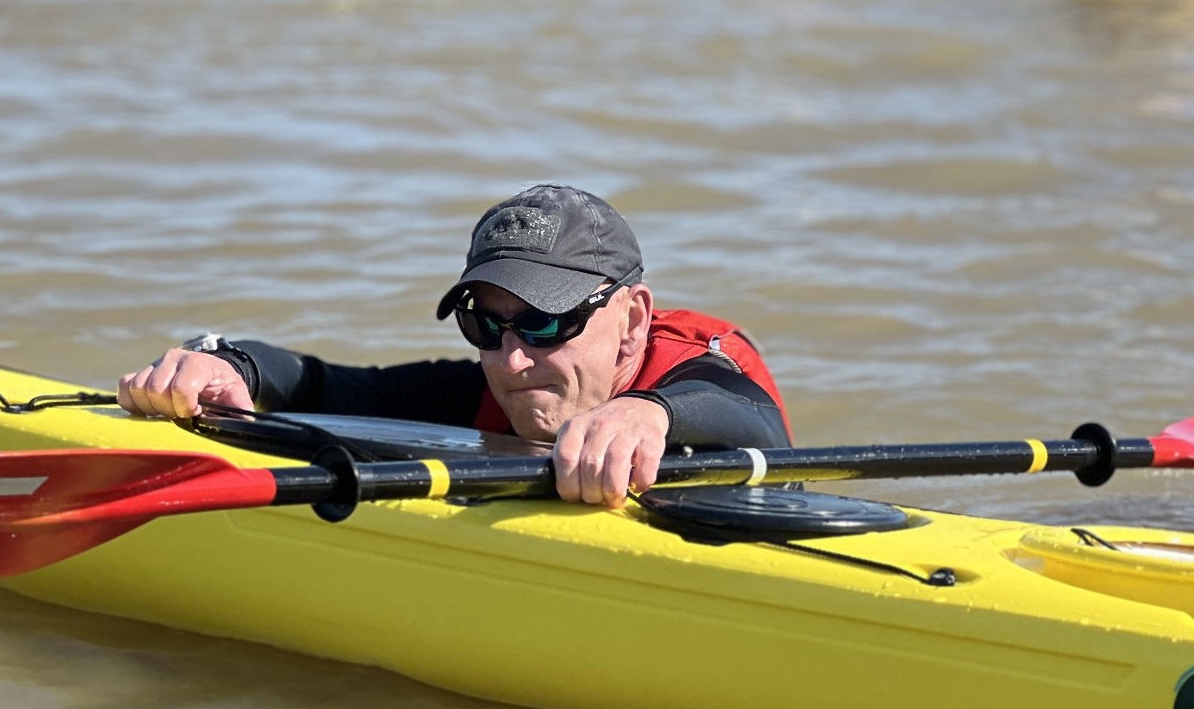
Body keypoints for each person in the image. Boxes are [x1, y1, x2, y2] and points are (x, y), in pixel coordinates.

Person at [118, 185, 791, 508]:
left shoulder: (702, 371)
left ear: (633, 320)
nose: (512, 359)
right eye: (485, 325)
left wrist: (650, 413)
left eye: (546, 321)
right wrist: (222, 363)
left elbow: (750, 417)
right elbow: (325, 385)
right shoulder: (495, 384)